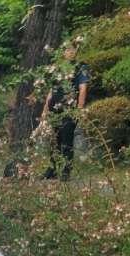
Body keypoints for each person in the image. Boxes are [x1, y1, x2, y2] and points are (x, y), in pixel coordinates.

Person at [42, 46, 89, 181]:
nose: (70, 52)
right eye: (67, 50)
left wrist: (79, 109)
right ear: (63, 52)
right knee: (54, 140)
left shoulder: (80, 67)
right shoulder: (57, 68)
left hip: (68, 109)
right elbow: (51, 91)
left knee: (66, 140)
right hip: (54, 108)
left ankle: (66, 171)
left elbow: (83, 88)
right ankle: (52, 169)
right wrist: (45, 110)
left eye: (73, 50)